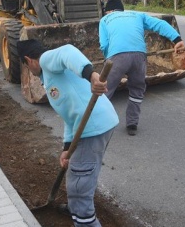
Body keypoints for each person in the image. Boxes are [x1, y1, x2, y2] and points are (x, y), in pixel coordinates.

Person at [18, 39, 118, 227]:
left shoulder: (46, 60)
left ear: (28, 60)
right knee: (82, 171)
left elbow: (67, 51)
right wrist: (66, 149)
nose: (29, 70)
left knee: (79, 184)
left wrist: (92, 75)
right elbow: (69, 117)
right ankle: (77, 206)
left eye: (26, 66)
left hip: (93, 126)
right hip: (96, 124)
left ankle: (83, 215)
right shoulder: (49, 77)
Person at [99, 0, 185, 136]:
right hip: (139, 56)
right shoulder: (137, 15)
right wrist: (177, 40)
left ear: (108, 11)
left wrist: (107, 60)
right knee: (137, 89)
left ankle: (98, 123)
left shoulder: (105, 20)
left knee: (104, 90)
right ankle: (132, 124)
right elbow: (160, 24)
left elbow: (104, 44)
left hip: (116, 57)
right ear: (122, 9)